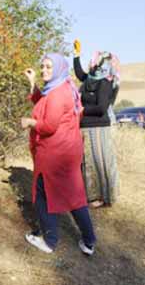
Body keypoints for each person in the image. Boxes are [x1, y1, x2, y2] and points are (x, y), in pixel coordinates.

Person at [21, 53, 96, 255]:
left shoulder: (56, 94)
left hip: (54, 152)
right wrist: (32, 83)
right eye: (43, 66)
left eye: (48, 67)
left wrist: (30, 122)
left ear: (59, 68)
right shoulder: (64, 87)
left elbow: (48, 126)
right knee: (75, 195)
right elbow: (43, 103)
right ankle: (89, 242)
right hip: (68, 151)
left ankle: (49, 241)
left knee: (43, 194)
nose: (44, 70)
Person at [73, 39, 121, 208]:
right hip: (86, 127)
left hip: (99, 128)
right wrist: (76, 55)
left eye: (94, 62)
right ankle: (91, 195)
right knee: (89, 163)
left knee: (101, 163)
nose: (91, 64)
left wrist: (82, 110)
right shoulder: (90, 79)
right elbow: (79, 73)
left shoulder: (105, 83)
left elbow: (101, 108)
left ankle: (105, 196)